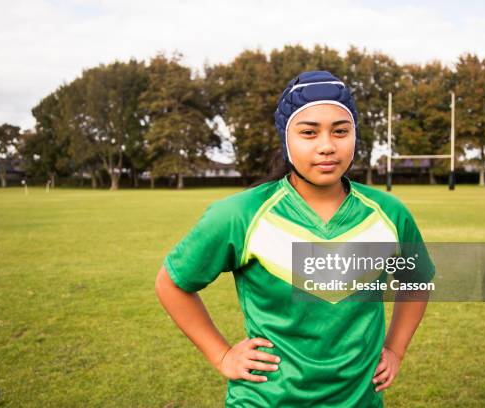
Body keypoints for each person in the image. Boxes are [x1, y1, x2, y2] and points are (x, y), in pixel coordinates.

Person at [155, 70, 436, 407]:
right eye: (308, 132)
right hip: (266, 400)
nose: (327, 146)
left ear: (355, 136)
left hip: (360, 400)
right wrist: (223, 356)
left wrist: (395, 349)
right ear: (286, 140)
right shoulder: (240, 214)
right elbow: (172, 284)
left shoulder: (389, 213)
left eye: (340, 131)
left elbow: (416, 281)